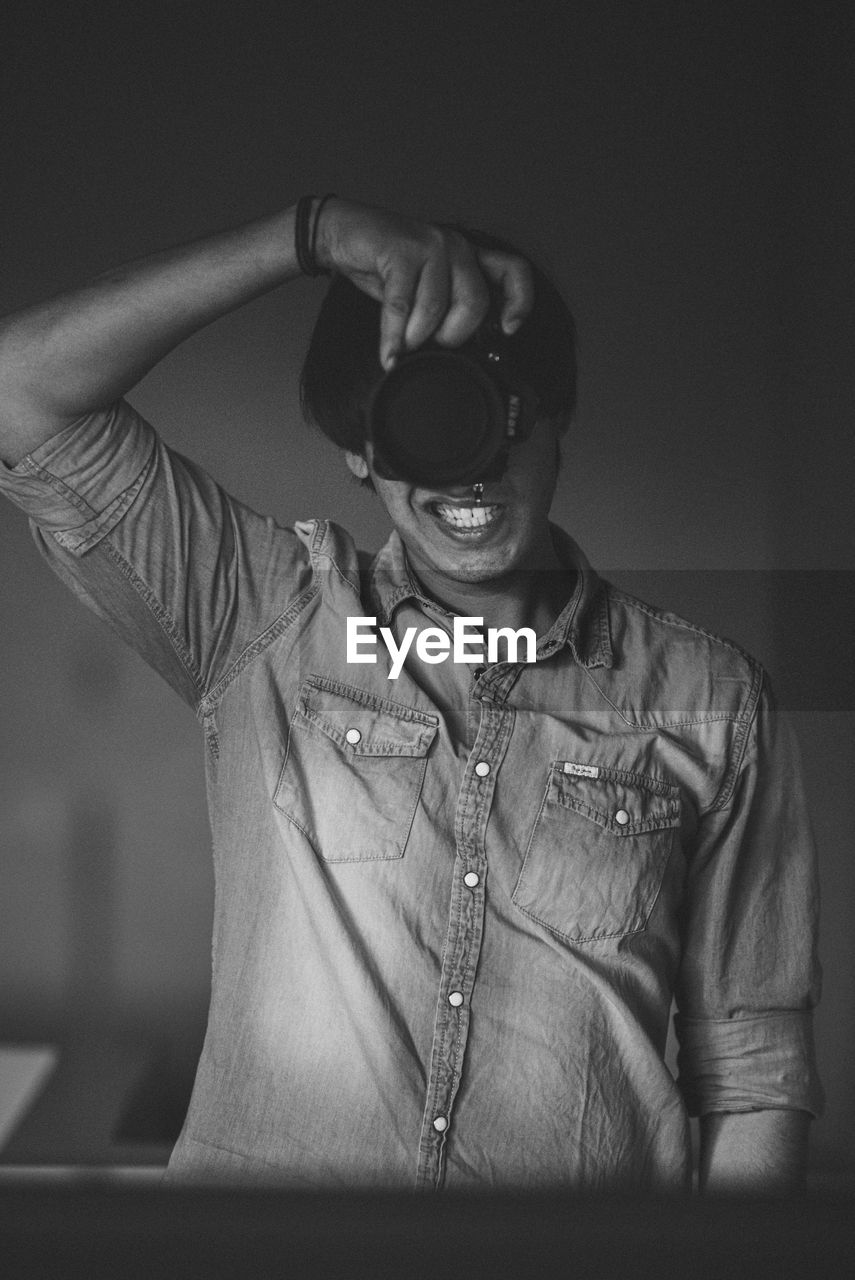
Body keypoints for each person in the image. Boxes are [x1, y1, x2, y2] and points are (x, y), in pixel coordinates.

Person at [0, 196, 822, 1193]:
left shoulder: (712, 696)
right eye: (419, 417)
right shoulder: (263, 614)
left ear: (554, 418)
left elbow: (752, 1070)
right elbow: (20, 391)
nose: (465, 464)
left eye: (490, 410)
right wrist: (312, 234)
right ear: (358, 448)